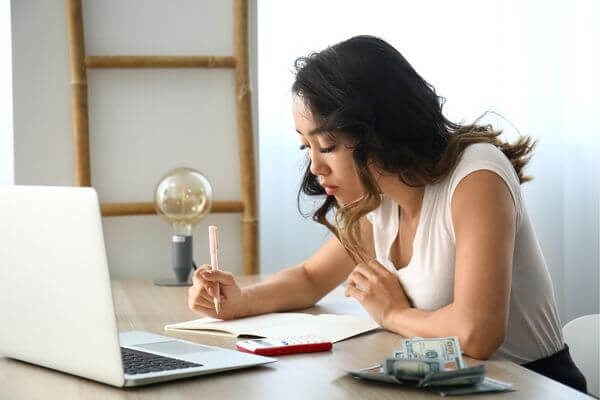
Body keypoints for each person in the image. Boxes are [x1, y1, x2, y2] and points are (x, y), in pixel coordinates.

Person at [188, 36, 587, 393]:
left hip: (533, 385)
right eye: (304, 148)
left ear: (378, 133)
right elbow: (310, 278)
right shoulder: (378, 199)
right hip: (452, 384)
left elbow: (477, 334)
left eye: (326, 146)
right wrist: (240, 300)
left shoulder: (476, 175)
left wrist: (394, 313)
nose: (314, 167)